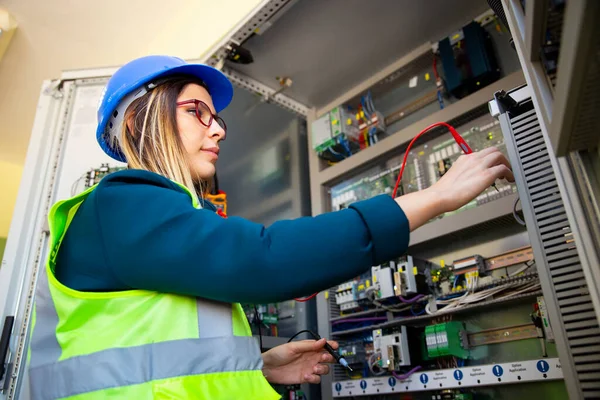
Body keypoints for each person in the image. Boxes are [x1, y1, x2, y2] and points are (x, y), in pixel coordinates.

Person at [27, 55, 514, 400]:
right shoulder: (119, 205)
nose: (218, 129)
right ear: (139, 120)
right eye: (198, 111)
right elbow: (262, 259)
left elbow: (150, 362)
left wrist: (256, 366)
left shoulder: (146, 217)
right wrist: (433, 198)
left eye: (217, 118)